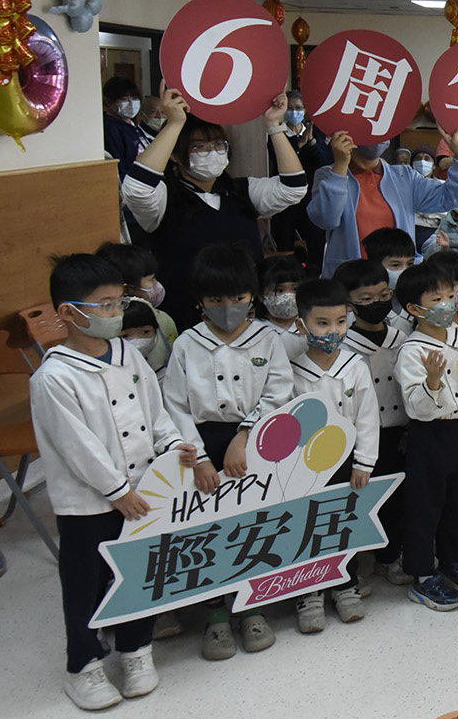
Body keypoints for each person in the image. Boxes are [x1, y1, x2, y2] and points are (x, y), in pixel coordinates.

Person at [29, 254, 196, 711]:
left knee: (139, 571)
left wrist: (175, 445)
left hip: (145, 491)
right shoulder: (54, 376)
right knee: (87, 581)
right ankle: (82, 665)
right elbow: (76, 446)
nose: (115, 313)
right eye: (103, 305)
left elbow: (155, 411)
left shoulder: (127, 355)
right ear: (68, 313)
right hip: (89, 502)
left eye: (118, 302)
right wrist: (117, 492)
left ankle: (135, 649)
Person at [160, 243, 293, 659]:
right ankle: (216, 615)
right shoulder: (186, 344)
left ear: (252, 296)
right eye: (217, 299)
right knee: (206, 531)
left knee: (251, 525)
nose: (228, 307)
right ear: (200, 300)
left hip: (254, 441)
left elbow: (279, 391)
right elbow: (176, 405)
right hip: (200, 445)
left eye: (237, 297)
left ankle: (251, 608)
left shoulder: (268, 339)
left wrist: (245, 435)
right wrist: (198, 457)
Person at [121, 84, 306, 329]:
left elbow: (294, 187)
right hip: (188, 318)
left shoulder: (241, 191)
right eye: (199, 147)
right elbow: (136, 188)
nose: (212, 153)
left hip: (248, 316)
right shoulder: (165, 198)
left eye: (219, 145)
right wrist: (175, 124)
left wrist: (274, 125)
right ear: (176, 155)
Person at [393, 263, 458, 611]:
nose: (447, 303)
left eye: (449, 295)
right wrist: (433, 381)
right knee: (426, 504)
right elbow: (416, 408)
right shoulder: (412, 351)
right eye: (435, 298)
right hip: (430, 434)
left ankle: (453, 558)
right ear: (414, 309)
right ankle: (423, 575)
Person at [288, 278, 377, 632]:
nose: (333, 331)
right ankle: (309, 592)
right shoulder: (292, 370)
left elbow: (368, 418)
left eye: (340, 322)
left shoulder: (355, 365)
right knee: (305, 526)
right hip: (301, 469)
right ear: (301, 324)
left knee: (343, 524)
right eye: (322, 323)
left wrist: (364, 461)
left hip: (346, 466)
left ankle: (344, 583)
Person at [335, 258, 411, 586]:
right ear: (348, 303)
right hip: (361, 438)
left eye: (383, 295)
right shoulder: (342, 344)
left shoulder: (402, 336)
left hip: (400, 429)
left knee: (396, 499)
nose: (376, 304)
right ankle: (351, 565)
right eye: (365, 300)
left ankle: (389, 556)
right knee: (358, 500)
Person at [308, 127, 458, 278]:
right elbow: (326, 219)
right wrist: (341, 167)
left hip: (397, 277)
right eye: (368, 129)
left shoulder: (404, 176)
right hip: (351, 280)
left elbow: (450, 198)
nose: (376, 137)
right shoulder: (328, 175)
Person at [267, 90, 326, 269]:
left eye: (299, 108)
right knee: (284, 236)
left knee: (315, 237)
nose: (295, 112)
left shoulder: (315, 132)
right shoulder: (278, 134)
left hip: (311, 194)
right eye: (290, 108)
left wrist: (312, 144)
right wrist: (299, 147)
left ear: (305, 110)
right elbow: (275, 158)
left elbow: (324, 161)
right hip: (285, 196)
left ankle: (314, 272)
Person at [94, 242, 177, 361]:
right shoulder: (104, 330)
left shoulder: (163, 320)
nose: (156, 285)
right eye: (151, 279)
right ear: (126, 289)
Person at [256, 255, 306, 361]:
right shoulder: (255, 330)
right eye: (279, 290)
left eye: (295, 289)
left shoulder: (311, 326)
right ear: (261, 295)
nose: (288, 296)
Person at [102, 76, 149, 178]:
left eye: (134, 98)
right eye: (124, 99)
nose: (131, 103)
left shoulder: (131, 125)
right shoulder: (110, 129)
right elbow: (119, 167)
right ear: (109, 101)